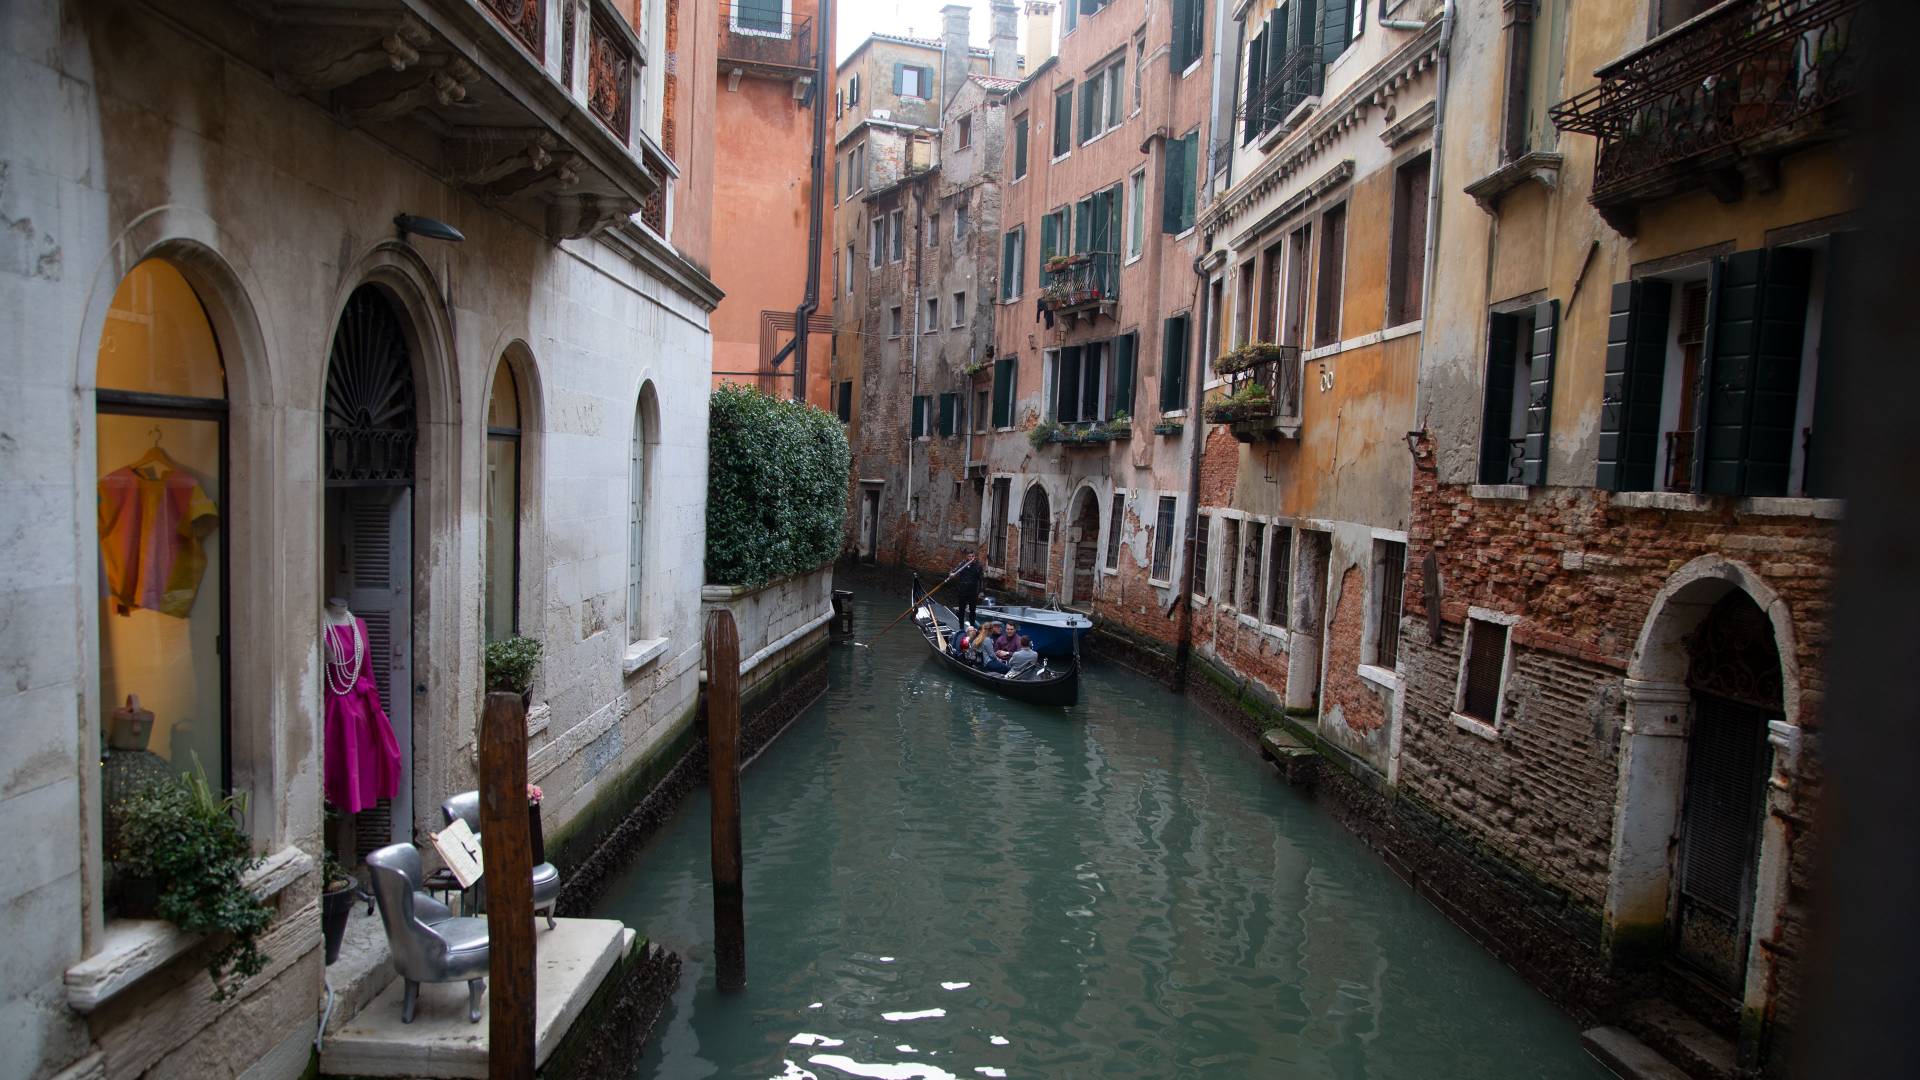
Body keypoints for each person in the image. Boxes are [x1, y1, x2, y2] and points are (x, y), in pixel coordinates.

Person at [950, 548, 983, 627]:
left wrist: (981, 591)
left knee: (972, 611)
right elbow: (953, 571)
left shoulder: (978, 566)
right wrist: (951, 574)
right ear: (967, 557)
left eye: (972, 556)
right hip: (962, 591)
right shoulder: (962, 564)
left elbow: (982, 580)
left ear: (974, 557)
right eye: (969, 556)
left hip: (973, 592)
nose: (971, 558)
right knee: (961, 610)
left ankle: (972, 627)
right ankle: (961, 627)